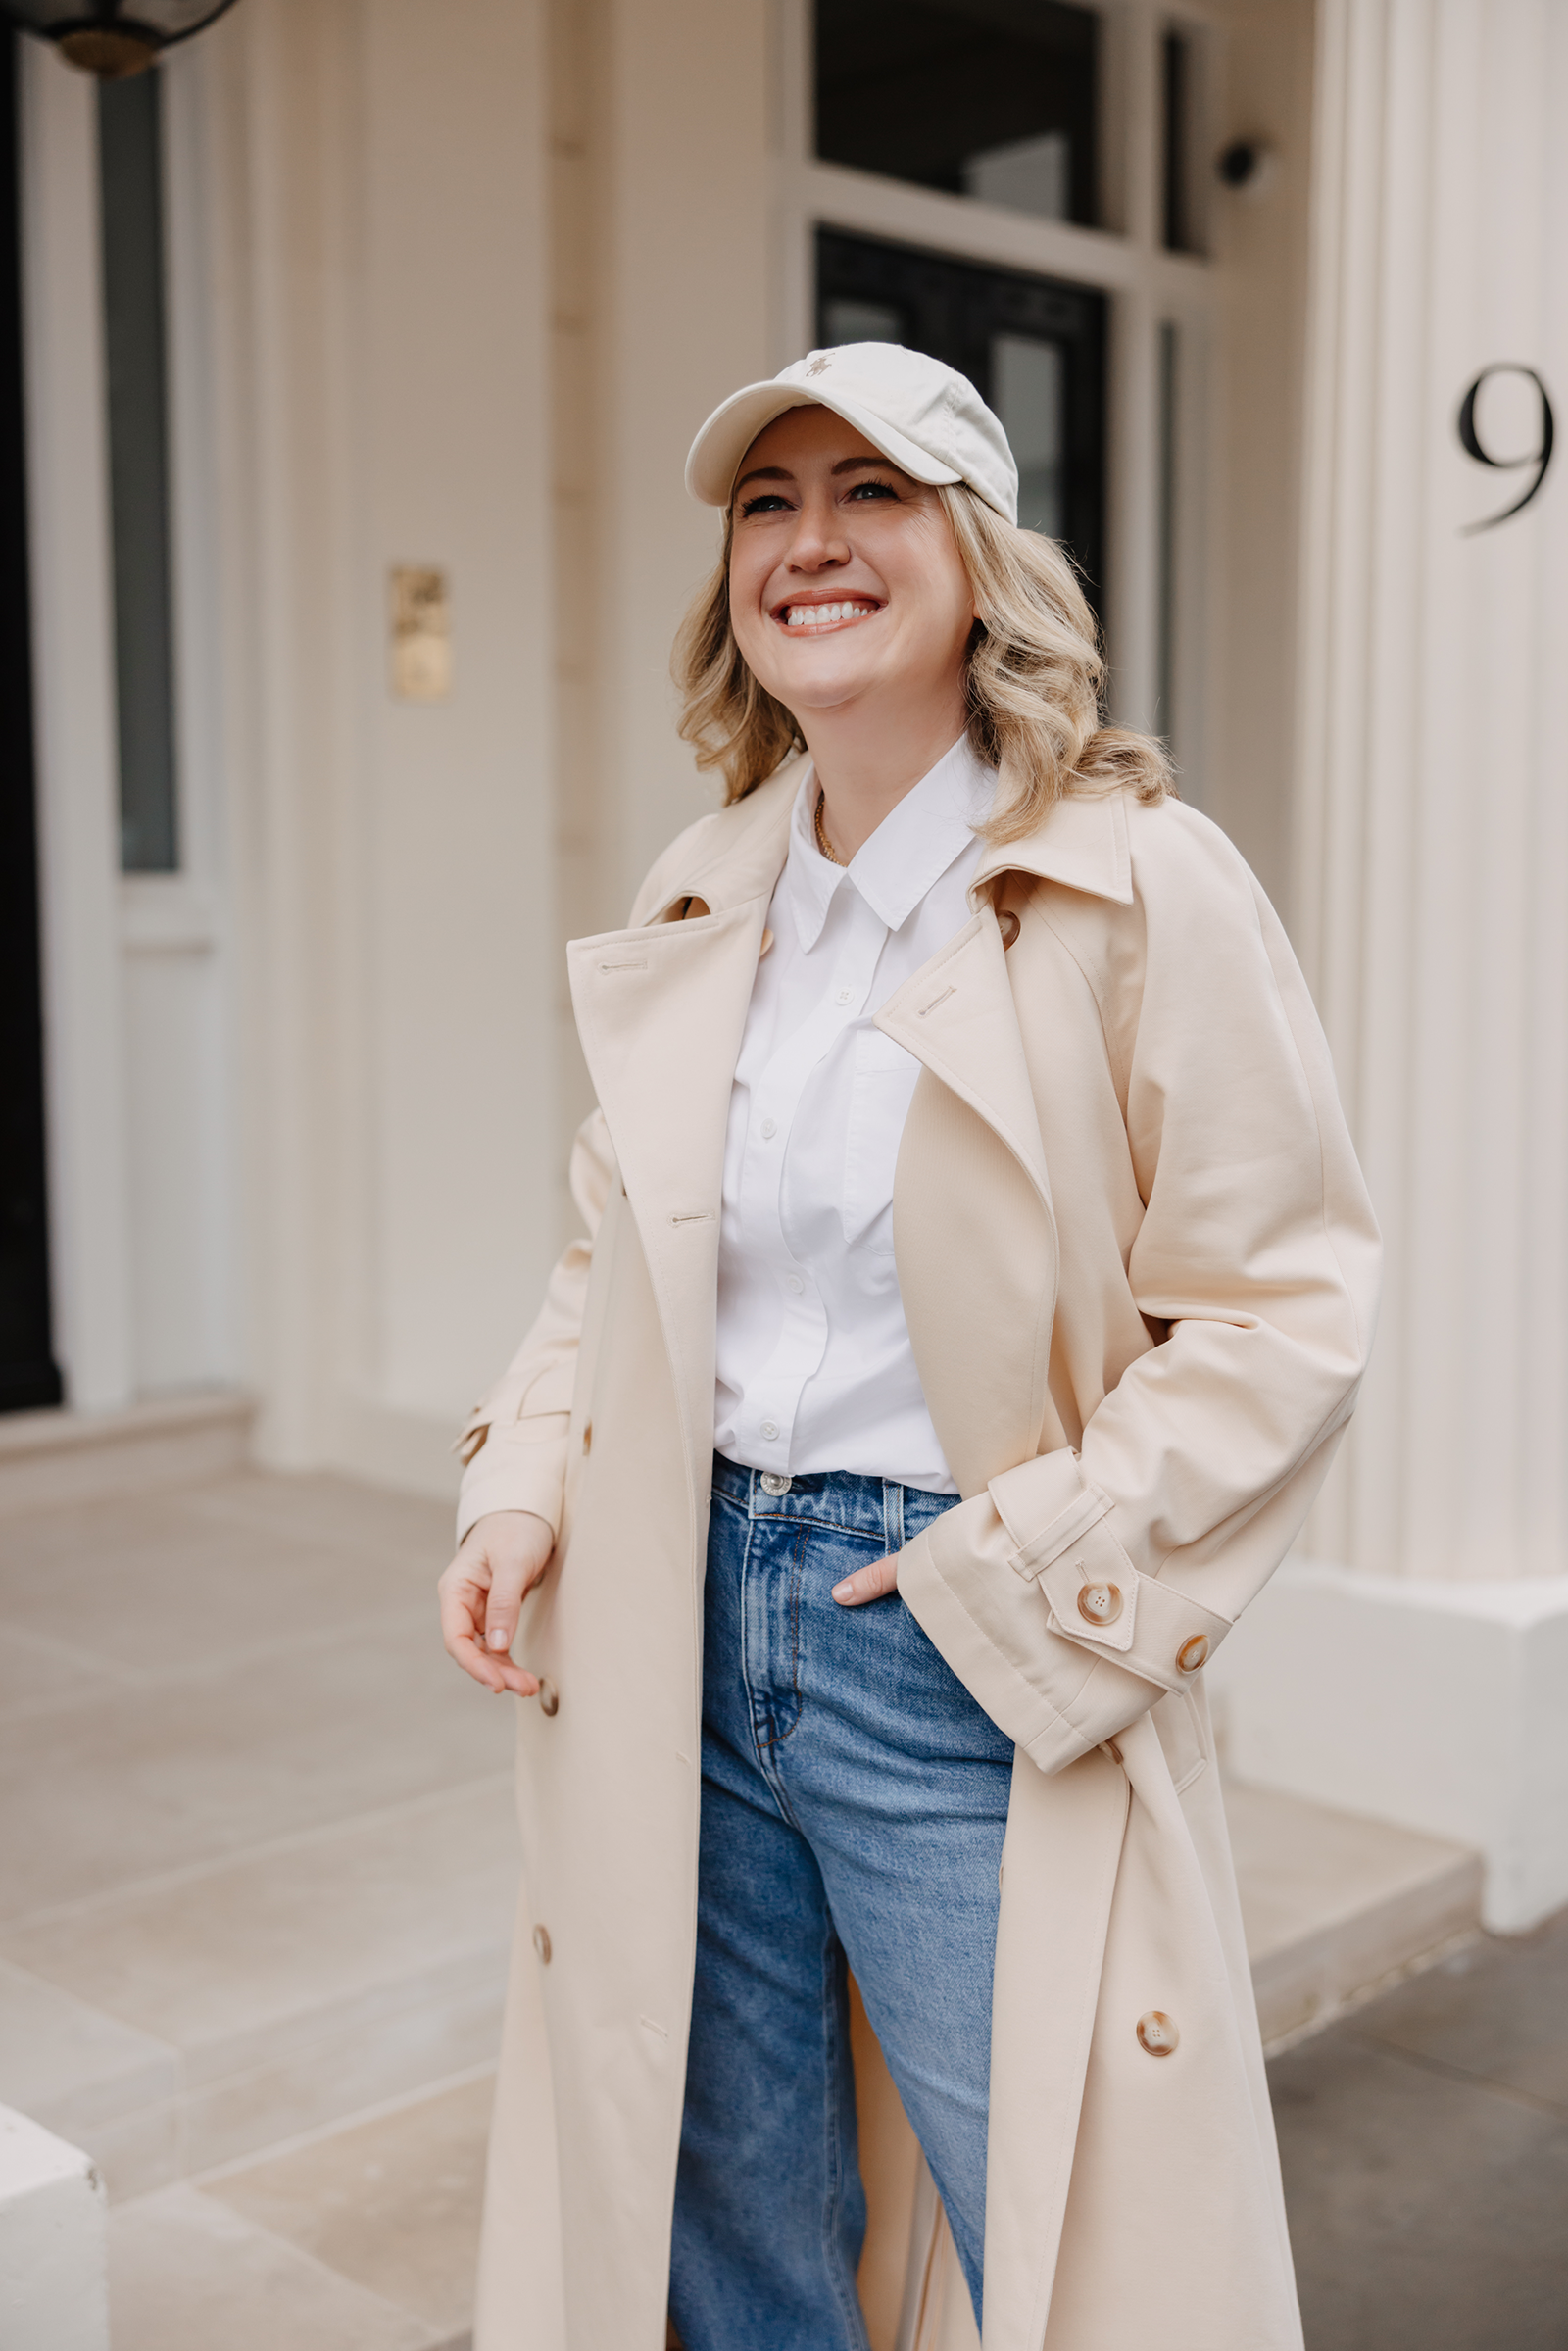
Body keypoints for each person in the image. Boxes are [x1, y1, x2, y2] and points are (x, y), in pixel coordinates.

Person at [438, 342, 1380, 2351]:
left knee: (1061, 2220)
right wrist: (523, 1482)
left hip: (943, 1623)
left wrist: (1028, 1564)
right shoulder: (706, 888)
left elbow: (1280, 1293)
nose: (809, 542)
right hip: (682, 1610)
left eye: (867, 492)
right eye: (765, 505)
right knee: (727, 2200)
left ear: (974, 553)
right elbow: (612, 1249)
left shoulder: (1132, 880)